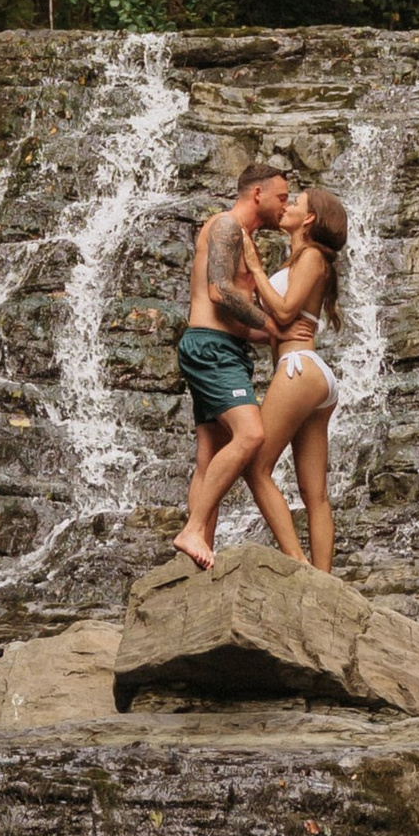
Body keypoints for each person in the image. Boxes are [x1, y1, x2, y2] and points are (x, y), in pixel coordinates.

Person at [171, 165, 301, 570]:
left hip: (224, 348)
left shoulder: (245, 240)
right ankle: (193, 529)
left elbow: (241, 319)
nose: (286, 205)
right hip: (212, 350)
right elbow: (220, 291)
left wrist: (280, 335)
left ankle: (199, 552)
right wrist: (272, 325)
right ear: (257, 193)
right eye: (282, 197)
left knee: (209, 455)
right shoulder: (226, 225)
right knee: (251, 434)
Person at [242, 187, 348, 574]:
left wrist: (254, 267)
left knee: (254, 465)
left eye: (295, 203)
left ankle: (297, 563)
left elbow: (285, 313)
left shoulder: (314, 257)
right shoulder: (302, 260)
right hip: (310, 374)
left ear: (309, 220)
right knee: (314, 493)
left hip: (298, 368)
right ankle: (324, 582)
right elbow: (274, 325)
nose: (285, 206)